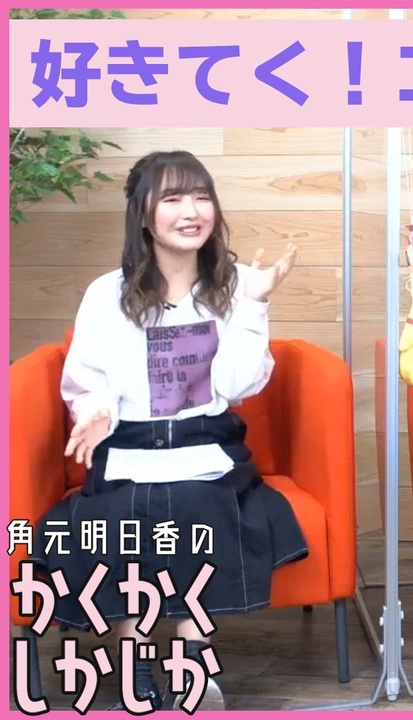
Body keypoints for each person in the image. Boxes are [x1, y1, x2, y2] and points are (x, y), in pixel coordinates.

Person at [30, 150, 309, 711]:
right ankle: (134, 662)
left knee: (195, 505)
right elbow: (86, 378)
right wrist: (97, 409)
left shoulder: (236, 286)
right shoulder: (106, 294)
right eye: (174, 198)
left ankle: (190, 665)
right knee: (119, 518)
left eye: (201, 197)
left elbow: (236, 385)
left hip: (206, 447)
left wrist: (254, 306)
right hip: (129, 448)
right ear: (143, 214)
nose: (191, 211)